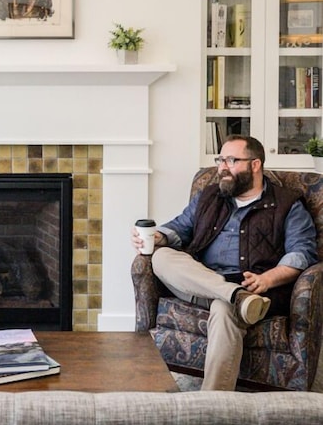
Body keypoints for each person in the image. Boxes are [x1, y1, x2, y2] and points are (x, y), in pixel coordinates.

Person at [132, 135, 318, 390]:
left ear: (255, 164)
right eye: (220, 160)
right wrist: (158, 237)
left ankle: (213, 403)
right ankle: (235, 295)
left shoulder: (288, 204)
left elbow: (301, 254)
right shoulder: (209, 196)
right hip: (200, 282)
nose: (222, 168)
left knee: (223, 309)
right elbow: (179, 228)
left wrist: (267, 279)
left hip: (254, 288)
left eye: (231, 160)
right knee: (161, 256)